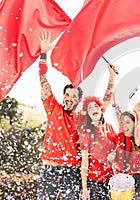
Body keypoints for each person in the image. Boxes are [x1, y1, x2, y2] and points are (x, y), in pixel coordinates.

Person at [37, 31, 83, 199]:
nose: (69, 99)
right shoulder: (53, 108)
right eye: (67, 95)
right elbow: (43, 81)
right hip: (49, 168)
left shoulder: (81, 119)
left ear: (78, 101)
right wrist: (44, 53)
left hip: (71, 171)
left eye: (73, 97)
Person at [78, 96, 117, 200]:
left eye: (96, 106)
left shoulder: (109, 127)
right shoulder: (86, 133)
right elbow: (84, 162)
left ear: (101, 109)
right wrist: (85, 189)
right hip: (95, 181)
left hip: (111, 180)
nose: (93, 108)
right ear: (88, 114)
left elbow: (118, 148)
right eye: (90, 107)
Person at [108, 111, 140, 200]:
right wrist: (112, 160)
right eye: (122, 122)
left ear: (134, 124)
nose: (124, 125)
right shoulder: (118, 137)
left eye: (128, 122)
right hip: (120, 179)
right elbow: (112, 157)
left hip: (137, 179)